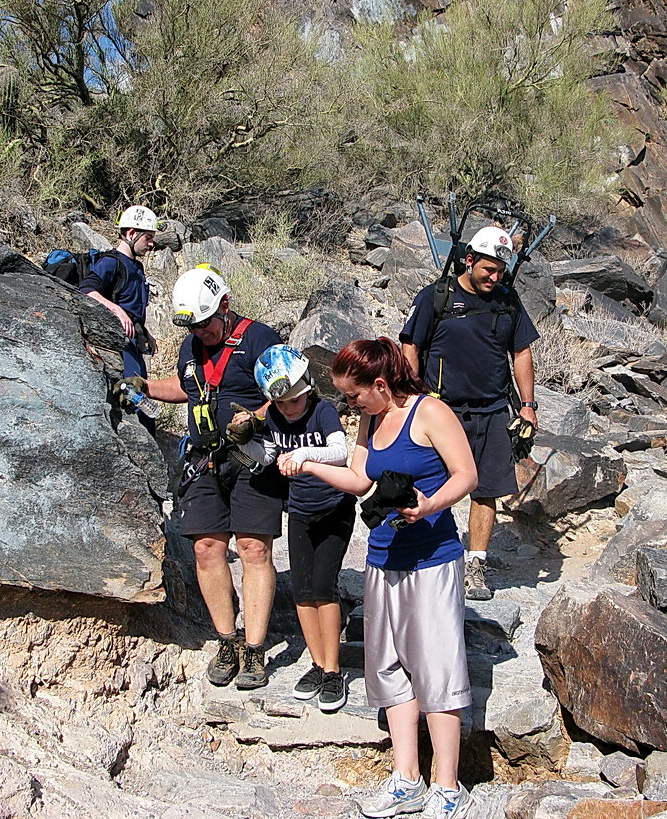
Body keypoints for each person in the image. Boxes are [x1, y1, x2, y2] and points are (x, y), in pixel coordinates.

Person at [295, 338, 477, 819]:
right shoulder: (370, 418)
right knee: (390, 667)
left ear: (380, 384)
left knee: (436, 669)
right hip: (383, 558)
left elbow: (467, 475)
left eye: (352, 396)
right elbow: (360, 480)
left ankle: (447, 787)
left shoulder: (431, 413)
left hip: (433, 558)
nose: (347, 405)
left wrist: (430, 505)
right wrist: (311, 465)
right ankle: (406, 779)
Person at [128, 265, 283, 689]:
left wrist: (256, 418)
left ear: (225, 307)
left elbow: (288, 391)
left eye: (205, 324)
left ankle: (254, 649)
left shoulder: (259, 339)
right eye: (193, 328)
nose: (200, 334)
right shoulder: (191, 345)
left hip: (251, 459)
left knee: (253, 548)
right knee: (206, 549)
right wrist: (144, 386)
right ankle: (226, 640)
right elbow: (187, 386)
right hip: (203, 461)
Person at [400, 225, 540, 601]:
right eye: (488, 269)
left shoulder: (508, 301)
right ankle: (424, 556)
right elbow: (410, 346)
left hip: (493, 409)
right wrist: (414, 397)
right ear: (469, 260)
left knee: (486, 489)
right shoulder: (437, 297)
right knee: (429, 484)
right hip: (440, 410)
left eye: (500, 270)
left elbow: (522, 353)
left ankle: (475, 564)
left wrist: (527, 405)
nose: (494, 277)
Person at [230, 345, 355, 712]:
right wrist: (245, 442)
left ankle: (333, 669)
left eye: (294, 398)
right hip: (299, 510)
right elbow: (269, 456)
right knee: (302, 591)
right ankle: (317, 664)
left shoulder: (323, 411)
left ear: (307, 385)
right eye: (281, 403)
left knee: (323, 587)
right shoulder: (276, 418)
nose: (289, 407)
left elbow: (339, 451)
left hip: (334, 508)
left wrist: (304, 455)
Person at [79, 205, 160, 384]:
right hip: (118, 343)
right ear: (131, 234)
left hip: (135, 343)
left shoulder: (137, 266)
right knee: (133, 395)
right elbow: (86, 289)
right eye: (148, 238)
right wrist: (117, 311)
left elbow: (133, 307)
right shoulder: (110, 262)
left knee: (141, 390)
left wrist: (146, 333)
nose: (151, 244)